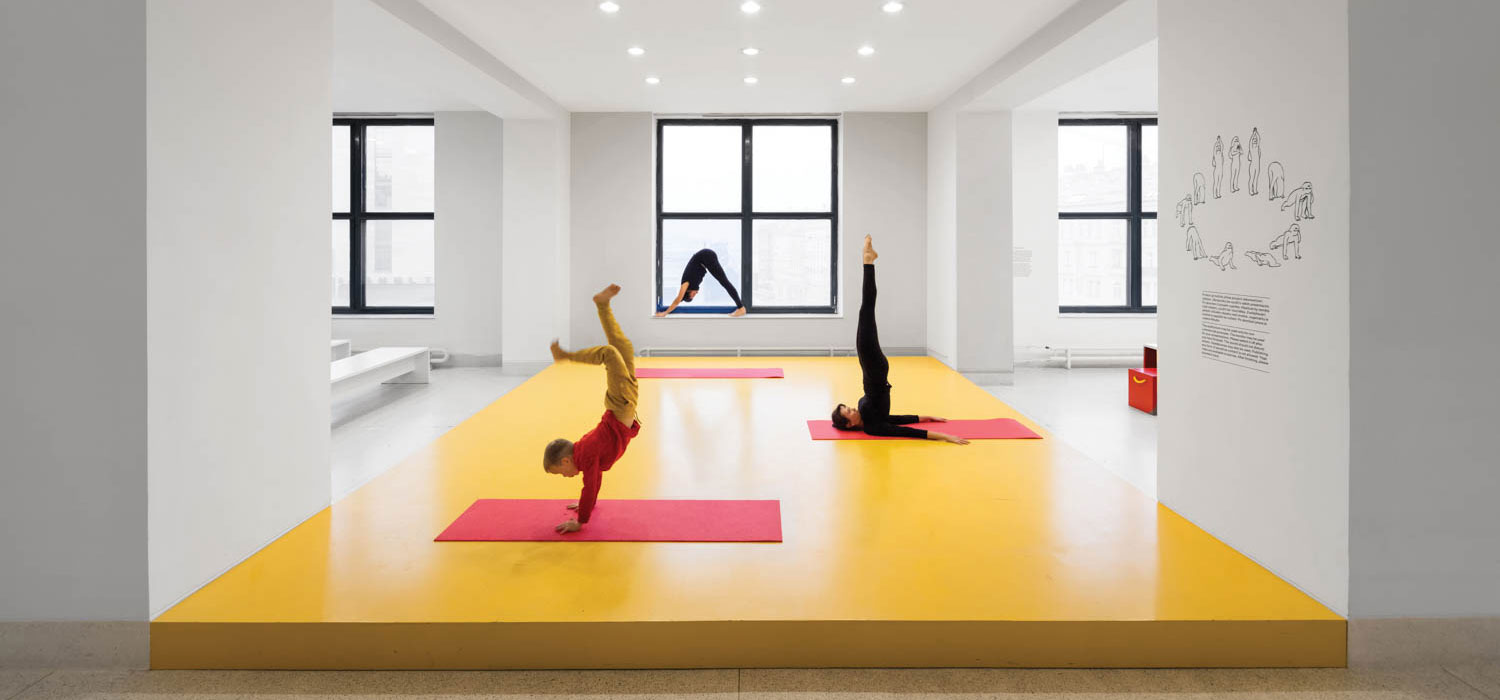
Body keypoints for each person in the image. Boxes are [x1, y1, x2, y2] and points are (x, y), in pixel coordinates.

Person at [830, 236, 969, 445]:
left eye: (848, 407)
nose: (852, 408)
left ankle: (869, 260)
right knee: (867, 308)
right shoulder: (873, 428)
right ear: (849, 424)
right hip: (873, 367)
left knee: (866, 310)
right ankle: (868, 261)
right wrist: (944, 437)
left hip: (874, 368)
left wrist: (925, 417)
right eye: (849, 411)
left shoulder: (870, 418)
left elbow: (894, 419)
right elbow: (900, 430)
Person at [542, 284, 641, 533]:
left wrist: (581, 521)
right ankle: (602, 304)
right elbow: (593, 486)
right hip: (621, 406)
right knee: (621, 346)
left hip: (621, 405)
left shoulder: (585, 456)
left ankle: (566, 356)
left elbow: (590, 485)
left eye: (561, 473)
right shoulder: (583, 451)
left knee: (609, 352)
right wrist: (587, 505)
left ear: (566, 460)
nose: (566, 477)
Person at [656, 248, 747, 317]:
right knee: (724, 283)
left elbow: (678, 300)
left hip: (706, 256)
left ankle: (741, 308)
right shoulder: (691, 284)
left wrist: (665, 313)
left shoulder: (685, 283)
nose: (696, 293)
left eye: (693, 295)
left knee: (725, 283)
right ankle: (741, 308)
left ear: (688, 292)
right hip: (707, 257)